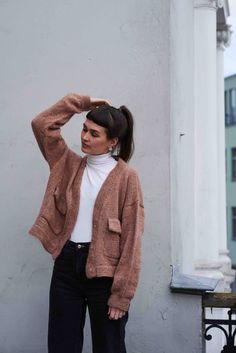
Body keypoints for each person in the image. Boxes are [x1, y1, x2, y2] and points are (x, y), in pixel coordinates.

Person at [28, 92, 145, 353]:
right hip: (67, 264)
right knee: (62, 345)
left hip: (105, 274)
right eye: (84, 129)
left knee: (109, 346)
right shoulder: (67, 163)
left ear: (112, 142)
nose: (84, 137)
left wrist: (121, 295)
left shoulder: (127, 177)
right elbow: (42, 124)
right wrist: (80, 104)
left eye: (94, 134)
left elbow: (132, 239)